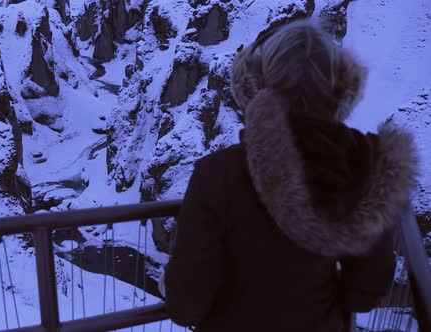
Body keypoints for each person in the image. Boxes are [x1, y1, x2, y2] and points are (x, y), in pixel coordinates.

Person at [159, 20, 419, 332]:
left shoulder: (218, 174)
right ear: (341, 92)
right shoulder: (366, 168)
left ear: (254, 87)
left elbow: (186, 304)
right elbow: (366, 292)